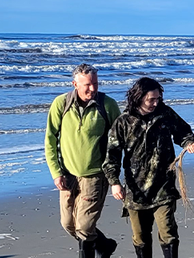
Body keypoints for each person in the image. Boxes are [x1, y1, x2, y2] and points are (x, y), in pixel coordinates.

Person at [103, 77, 194, 258]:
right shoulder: (123, 122)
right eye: (151, 99)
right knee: (140, 237)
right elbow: (112, 155)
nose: (156, 103)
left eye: (158, 99)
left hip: (164, 186)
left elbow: (183, 131)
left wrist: (189, 143)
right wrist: (114, 182)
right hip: (136, 190)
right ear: (139, 97)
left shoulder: (165, 114)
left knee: (168, 231)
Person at [45, 63, 122, 258]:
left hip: (95, 176)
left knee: (85, 227)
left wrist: (115, 178)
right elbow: (50, 140)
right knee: (68, 224)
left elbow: (120, 139)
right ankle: (105, 246)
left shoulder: (108, 105)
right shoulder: (60, 104)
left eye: (95, 83)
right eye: (87, 84)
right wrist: (56, 173)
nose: (93, 88)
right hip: (68, 175)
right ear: (75, 83)